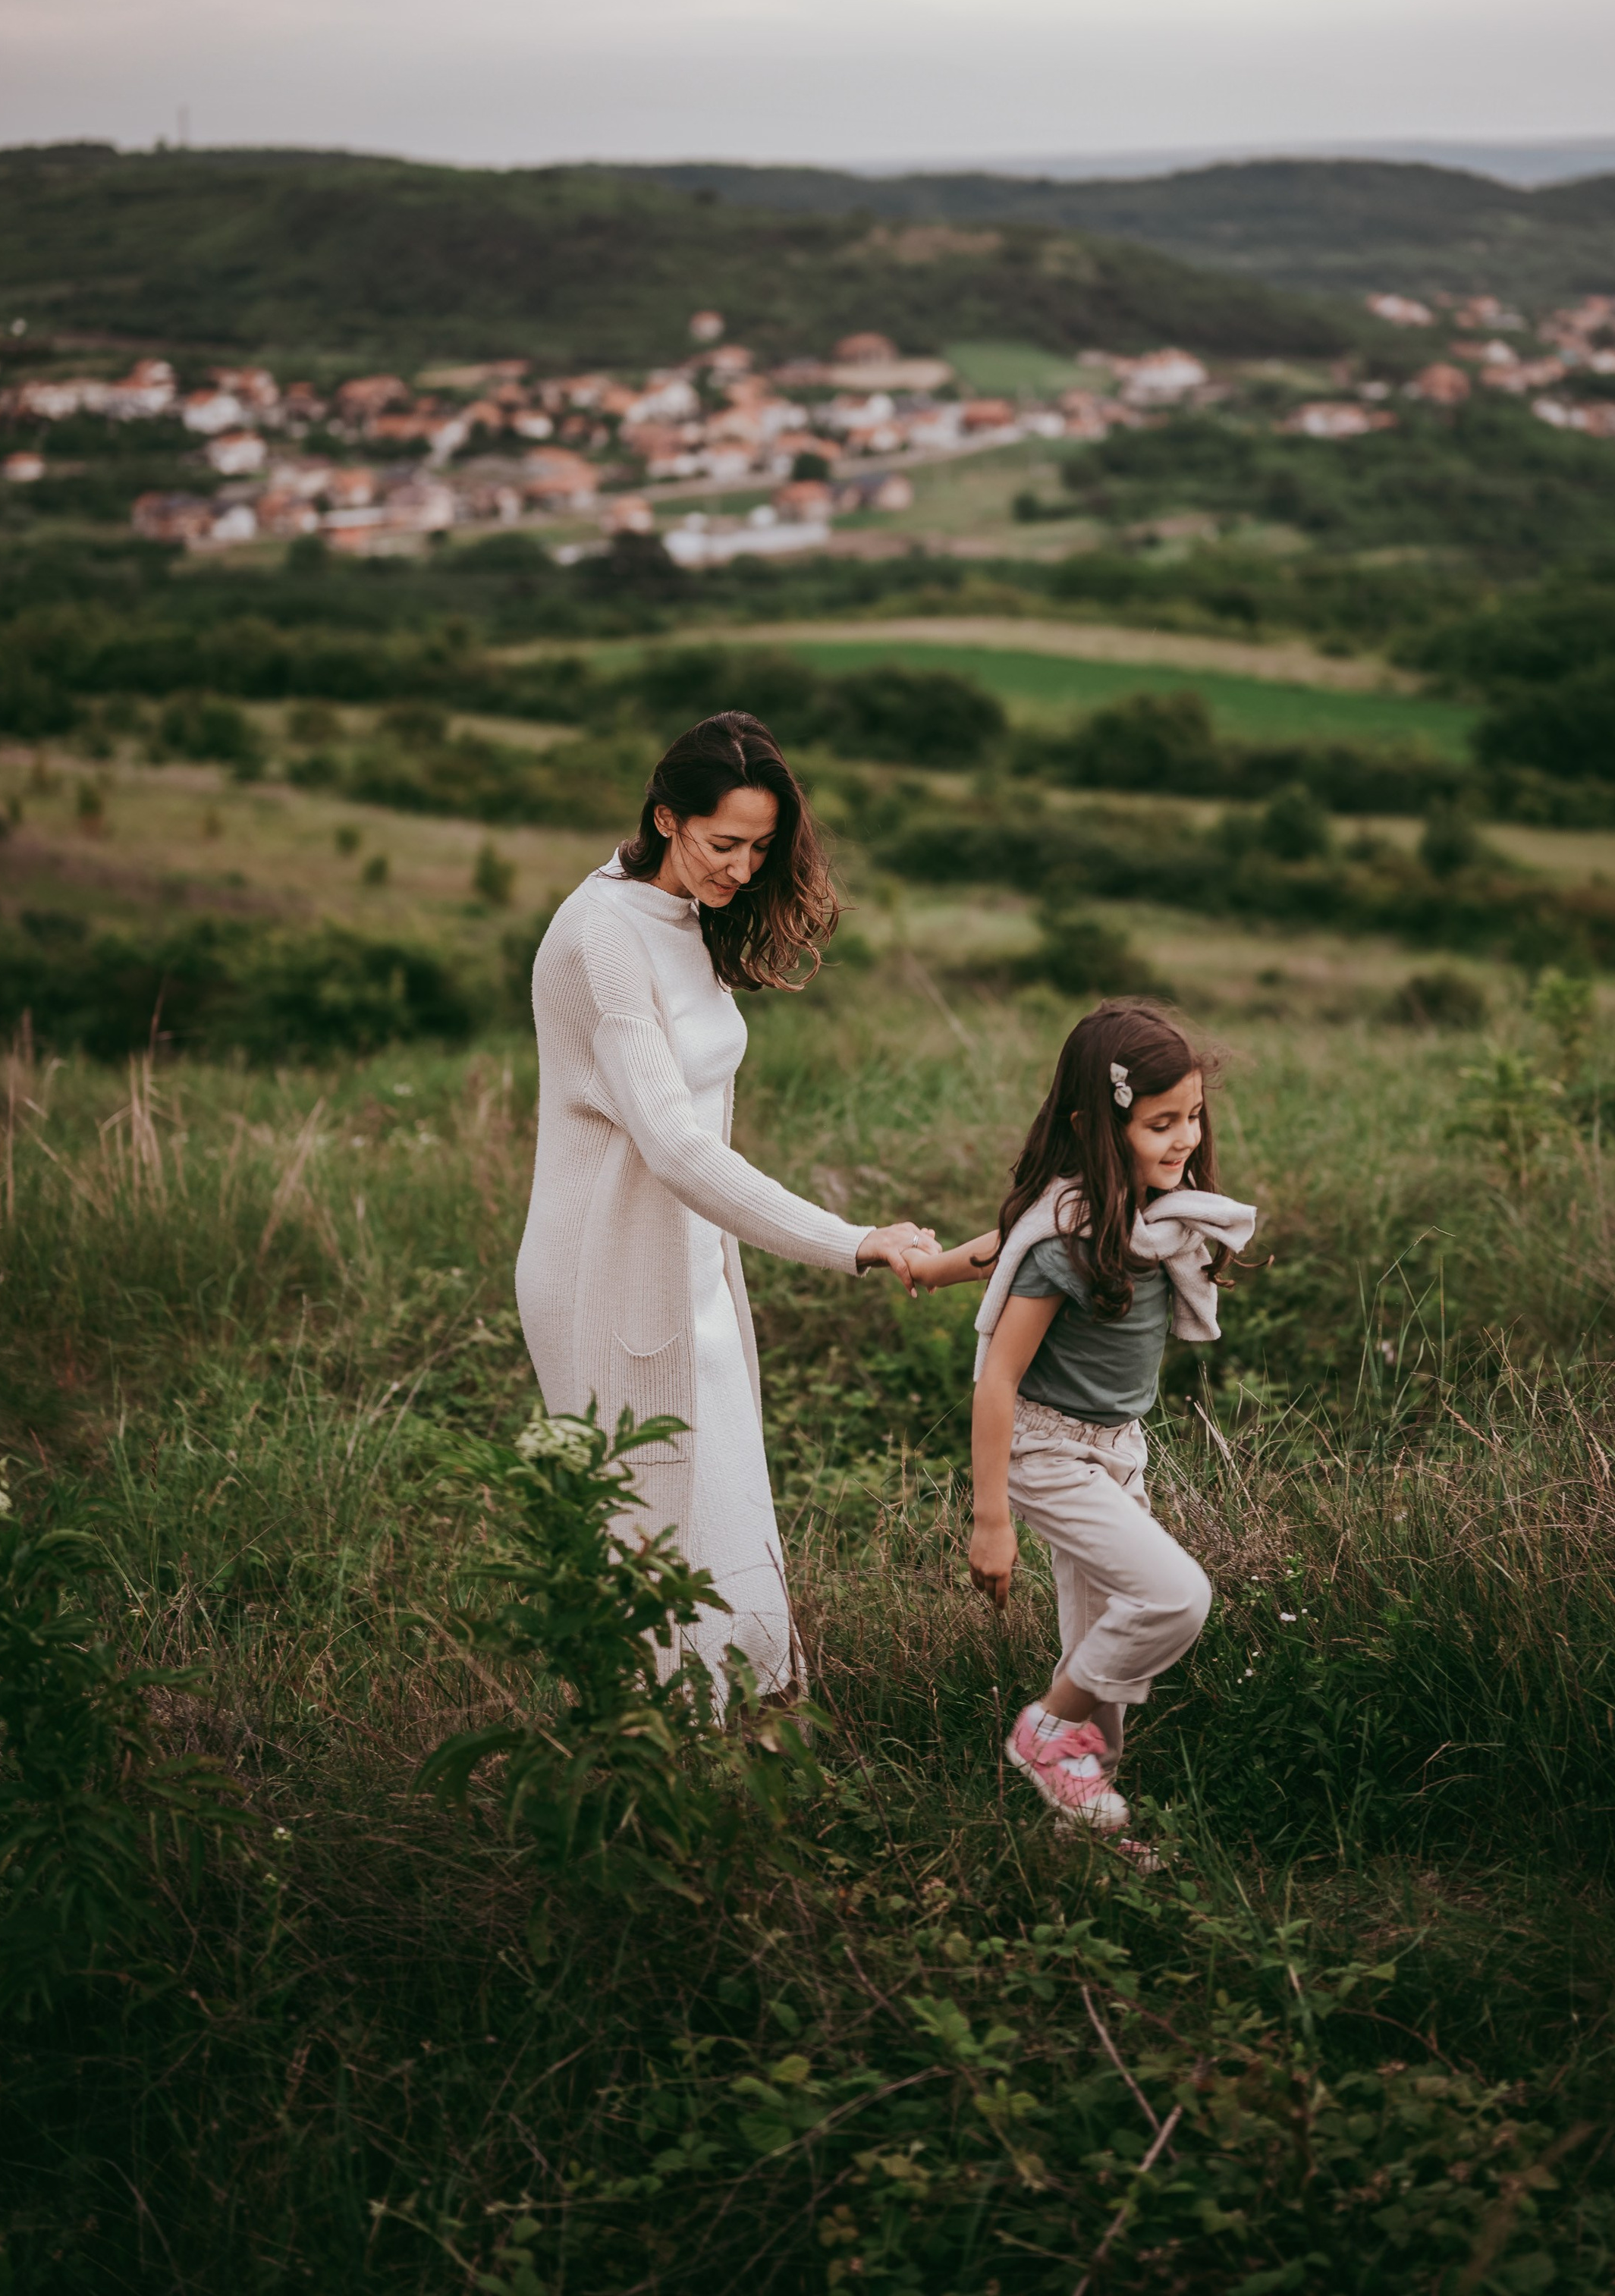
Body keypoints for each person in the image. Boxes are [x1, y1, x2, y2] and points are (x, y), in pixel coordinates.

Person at [515, 708, 934, 1696]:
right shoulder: (603, 937)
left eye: (761, 847)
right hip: (603, 1271)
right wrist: (854, 1241)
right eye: (722, 844)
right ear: (666, 819)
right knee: (649, 1540)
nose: (743, 871)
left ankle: (738, 1748)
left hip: (693, 1264)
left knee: (727, 1504)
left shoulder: (687, 918)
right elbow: (671, 1143)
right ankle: (656, 1775)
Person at [908, 1001, 1255, 1840]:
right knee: (1173, 1597)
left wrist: (930, 1265)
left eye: (1193, 1117)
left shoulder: (1148, 1215)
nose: (1183, 1138)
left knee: (1104, 1644)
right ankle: (1045, 1733)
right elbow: (997, 1375)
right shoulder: (1065, 1237)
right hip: (1045, 1451)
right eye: (1159, 1122)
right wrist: (991, 1519)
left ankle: (1084, 1833)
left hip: (1115, 1451)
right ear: (1097, 1125)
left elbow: (994, 1242)